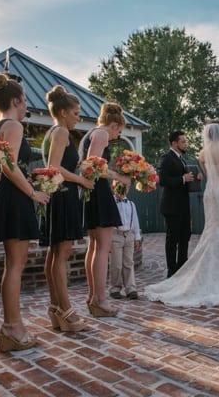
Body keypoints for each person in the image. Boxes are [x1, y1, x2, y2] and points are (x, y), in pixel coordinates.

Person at [145, 122, 219, 307]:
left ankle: (207, 269)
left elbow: (207, 175)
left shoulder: (202, 153)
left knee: (213, 229)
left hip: (212, 193)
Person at [0, 73, 50, 351]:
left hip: (9, 197)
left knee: (13, 265)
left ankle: (12, 326)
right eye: (24, 103)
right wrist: (33, 192)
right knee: (15, 265)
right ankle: (12, 327)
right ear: (15, 100)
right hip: (15, 198)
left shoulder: (0, 123)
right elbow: (10, 168)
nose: (26, 108)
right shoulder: (13, 124)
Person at [42, 86, 93, 331]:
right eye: (75, 113)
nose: (78, 117)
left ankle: (56, 309)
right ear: (63, 112)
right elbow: (54, 167)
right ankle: (66, 311)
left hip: (58, 195)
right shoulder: (61, 132)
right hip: (63, 196)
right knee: (61, 255)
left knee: (54, 255)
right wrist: (81, 179)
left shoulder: (53, 131)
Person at [80, 102, 132, 317]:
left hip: (94, 193)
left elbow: (95, 168)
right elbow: (92, 167)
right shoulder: (101, 134)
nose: (118, 135)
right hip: (98, 195)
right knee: (103, 248)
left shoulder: (92, 133)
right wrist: (120, 177)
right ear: (113, 124)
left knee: (94, 247)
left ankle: (93, 298)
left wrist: (112, 180)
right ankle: (100, 300)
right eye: (119, 130)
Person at [158, 131, 195, 278]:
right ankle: (172, 271)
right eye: (183, 141)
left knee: (185, 237)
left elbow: (184, 179)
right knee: (172, 239)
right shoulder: (166, 158)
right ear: (174, 143)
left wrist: (193, 178)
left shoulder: (182, 159)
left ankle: (182, 268)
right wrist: (183, 179)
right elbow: (163, 180)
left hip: (183, 206)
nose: (186, 144)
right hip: (171, 206)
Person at [109, 186, 142, 300]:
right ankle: (115, 288)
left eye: (126, 187)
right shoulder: (111, 203)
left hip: (129, 236)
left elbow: (135, 222)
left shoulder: (131, 204)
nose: (123, 189)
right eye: (119, 186)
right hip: (116, 235)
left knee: (129, 263)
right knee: (116, 264)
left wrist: (137, 237)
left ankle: (131, 288)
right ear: (113, 187)